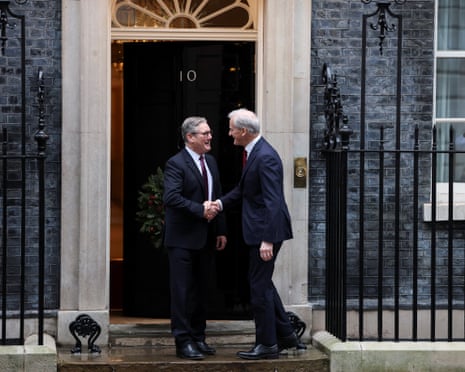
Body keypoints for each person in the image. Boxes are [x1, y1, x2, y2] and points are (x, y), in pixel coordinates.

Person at [212, 108, 305, 360]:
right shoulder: (255, 153)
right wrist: (219, 204)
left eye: (232, 128)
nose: (229, 133)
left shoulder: (265, 157)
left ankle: (267, 345)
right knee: (263, 284)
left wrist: (268, 239)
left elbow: (273, 202)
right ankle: (285, 335)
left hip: (265, 233)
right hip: (260, 230)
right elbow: (243, 191)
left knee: (259, 288)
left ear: (243, 131)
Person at [163, 116, 227, 360]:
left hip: (206, 237)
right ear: (190, 137)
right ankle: (183, 341)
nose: (210, 137)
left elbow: (217, 195)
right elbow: (171, 198)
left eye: (209, 132)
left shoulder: (210, 162)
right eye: (205, 133)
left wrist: (220, 229)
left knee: (202, 290)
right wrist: (199, 209)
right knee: (182, 291)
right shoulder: (175, 164)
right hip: (181, 239)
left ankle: (199, 337)